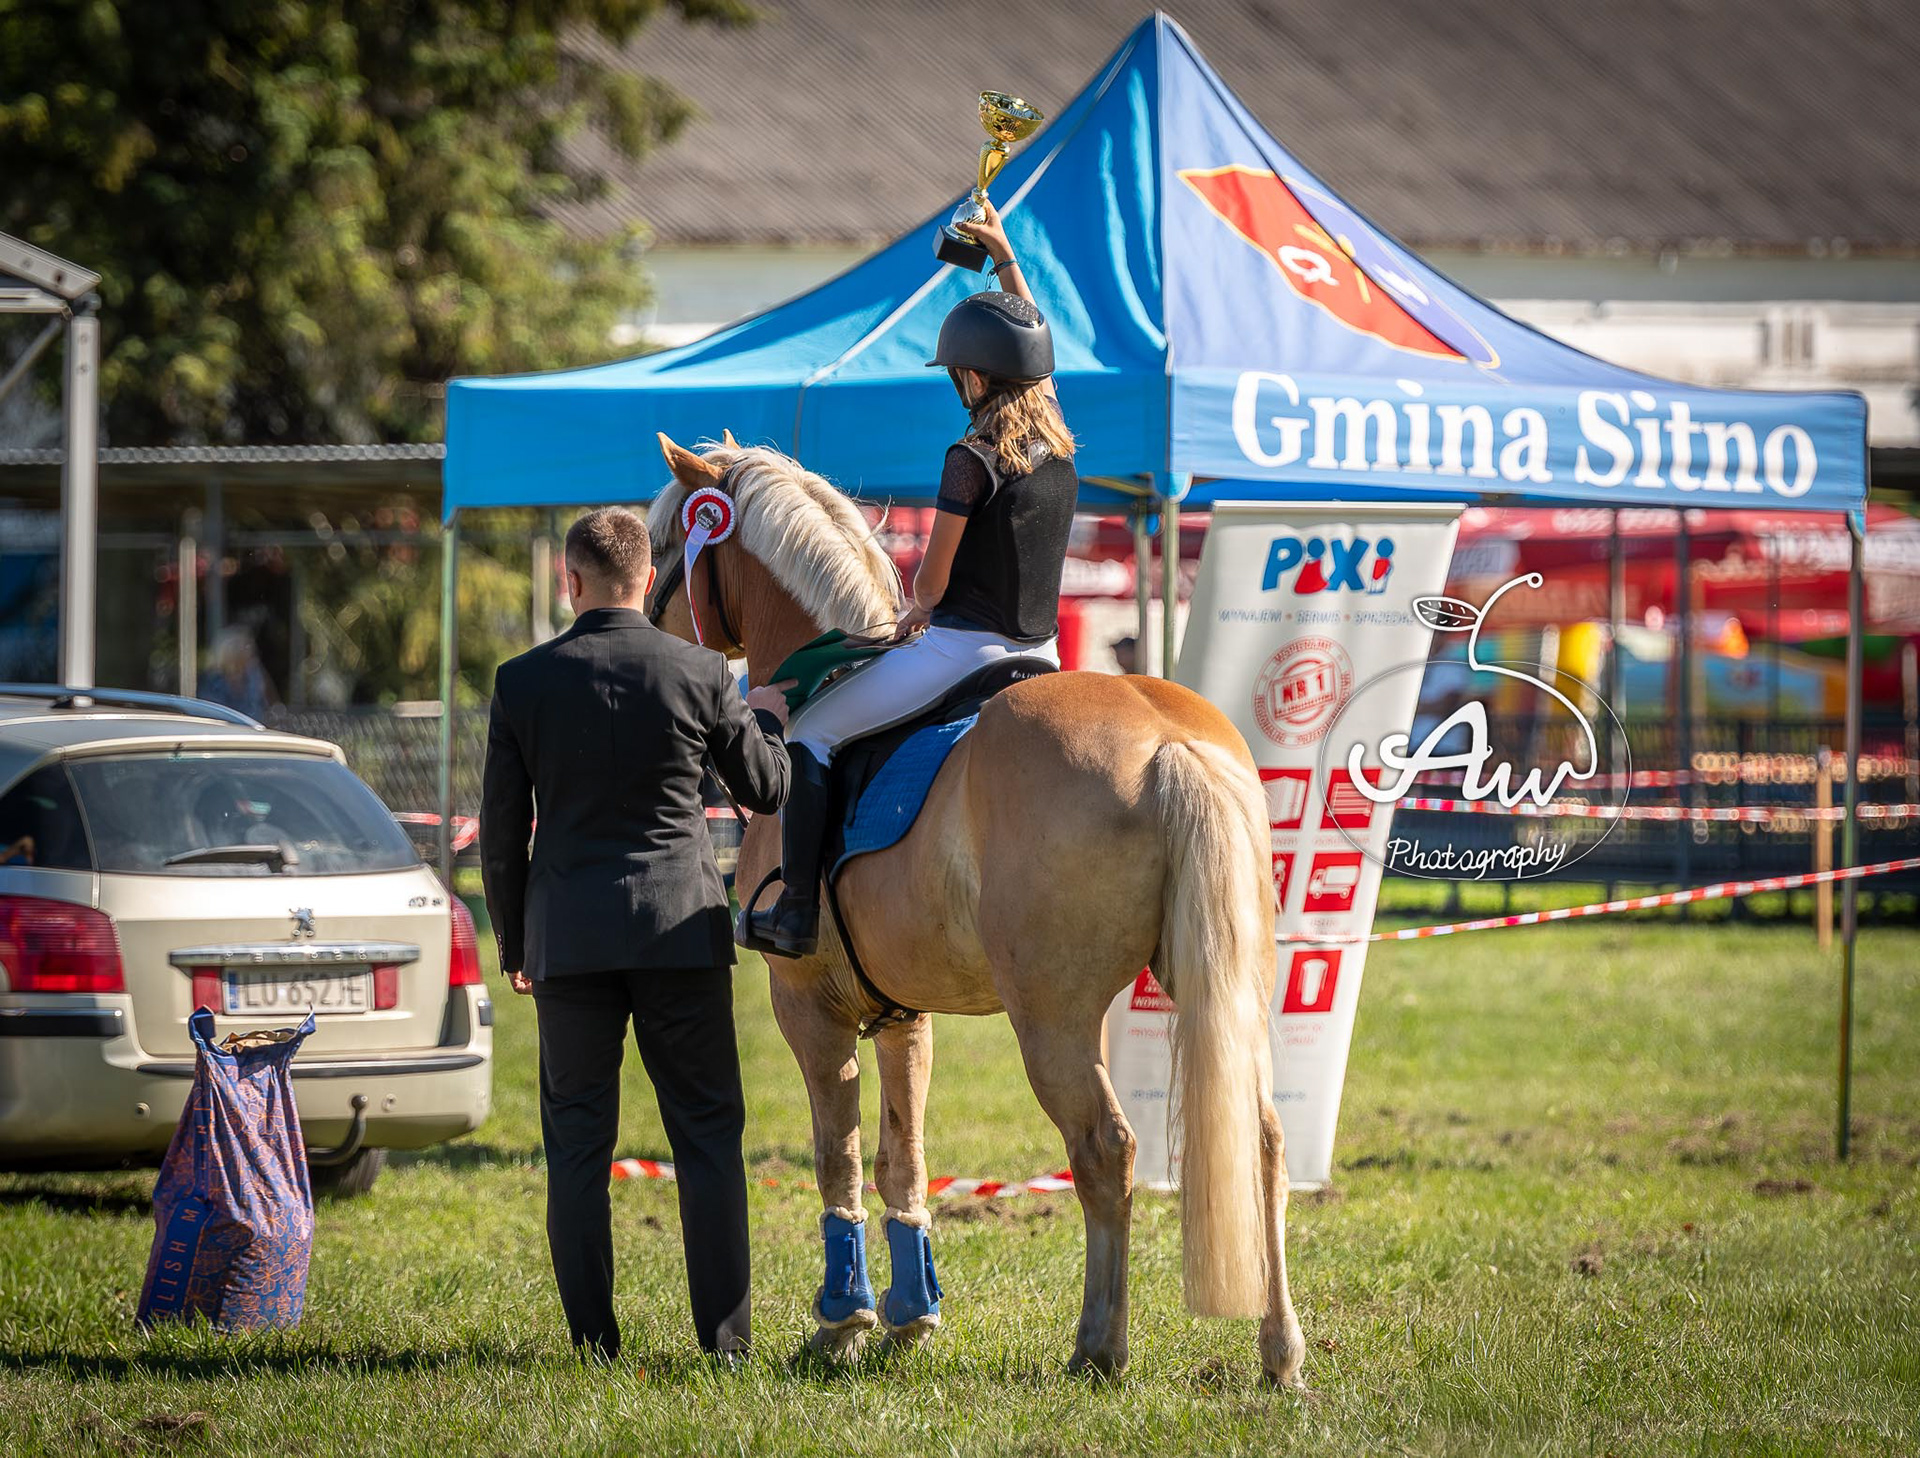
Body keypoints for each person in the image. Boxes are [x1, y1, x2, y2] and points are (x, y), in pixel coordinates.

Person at [480, 506, 793, 1363]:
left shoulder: (521, 682)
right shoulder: (700, 671)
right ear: (647, 579)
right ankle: (726, 1346)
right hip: (679, 934)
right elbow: (766, 789)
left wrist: (514, 944)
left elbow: (501, 836)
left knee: (577, 1148)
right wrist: (763, 720)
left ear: (568, 581)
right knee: (707, 1139)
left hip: (569, 941)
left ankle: (593, 1344)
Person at [744, 199, 1076, 958]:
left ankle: (797, 911)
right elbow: (1032, 345)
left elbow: (929, 587)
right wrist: (1002, 256)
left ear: (972, 375)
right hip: (1044, 656)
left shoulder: (971, 457)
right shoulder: (1056, 441)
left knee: (815, 731)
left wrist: (917, 611)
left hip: (962, 651)